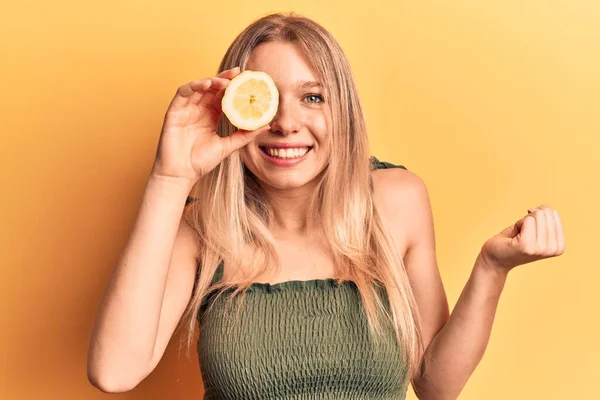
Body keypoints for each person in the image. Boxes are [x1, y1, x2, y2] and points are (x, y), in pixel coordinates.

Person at [86, 12, 566, 399]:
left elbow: (437, 386)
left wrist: (491, 268)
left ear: (345, 110)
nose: (286, 124)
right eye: (265, 100)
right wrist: (170, 177)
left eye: (312, 97)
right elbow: (114, 372)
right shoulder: (204, 225)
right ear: (234, 108)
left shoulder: (397, 200)